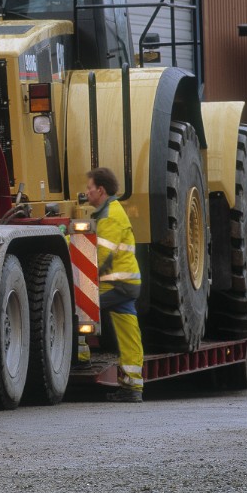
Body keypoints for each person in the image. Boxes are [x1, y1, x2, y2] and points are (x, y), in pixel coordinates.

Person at [85, 166, 144, 402]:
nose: (86, 192)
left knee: (80, 312)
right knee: (129, 333)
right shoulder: (110, 212)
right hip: (125, 284)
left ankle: (79, 357)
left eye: (89, 188)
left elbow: (99, 255)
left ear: (100, 190)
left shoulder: (110, 216)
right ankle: (132, 387)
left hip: (118, 285)